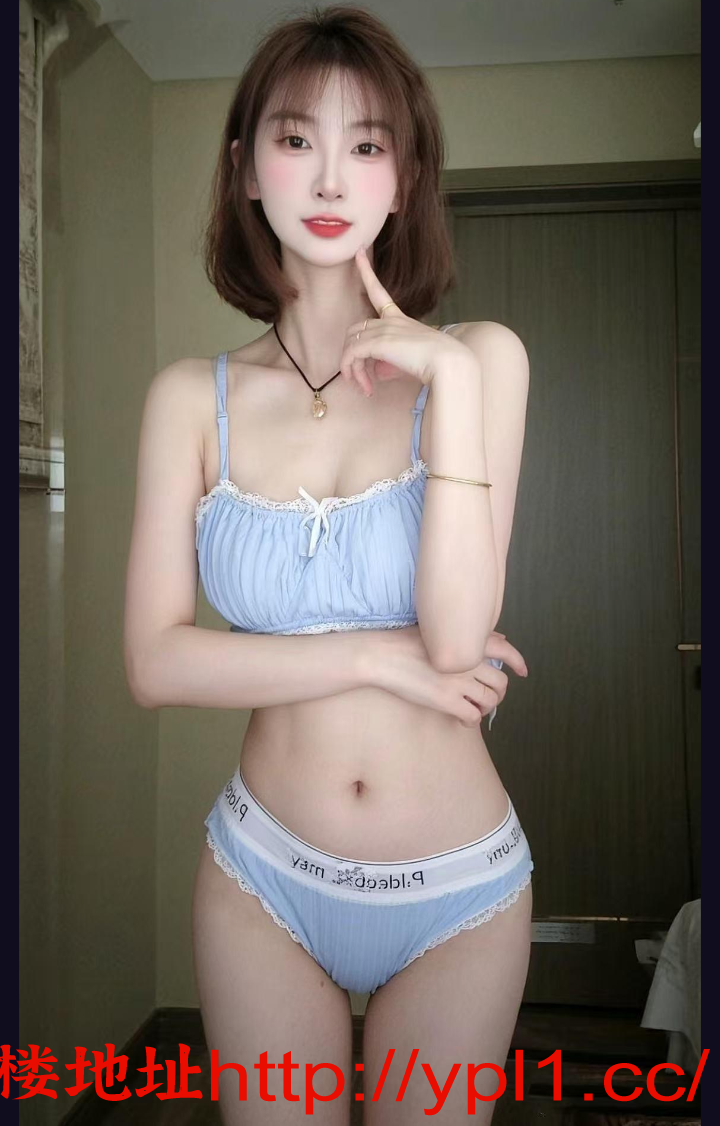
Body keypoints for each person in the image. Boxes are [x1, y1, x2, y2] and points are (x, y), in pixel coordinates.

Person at [124, 7, 532, 1123]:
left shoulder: (480, 363)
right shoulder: (189, 399)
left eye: (368, 144)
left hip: (457, 890)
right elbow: (154, 664)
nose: (331, 176)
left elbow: (457, 637)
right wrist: (373, 659)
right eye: (297, 137)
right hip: (263, 875)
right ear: (244, 167)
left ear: (406, 179)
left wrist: (451, 384)